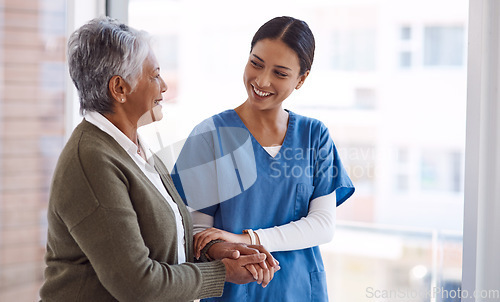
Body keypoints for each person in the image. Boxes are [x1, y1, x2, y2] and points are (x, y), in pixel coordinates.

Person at [39, 16, 279, 302]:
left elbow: (154, 240)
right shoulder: (92, 161)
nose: (164, 86)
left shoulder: (132, 148)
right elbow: (138, 284)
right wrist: (221, 272)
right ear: (119, 89)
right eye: (154, 76)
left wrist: (212, 249)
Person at [171, 16, 355, 301]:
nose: (262, 80)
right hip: (233, 290)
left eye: (280, 73)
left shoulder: (314, 136)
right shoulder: (210, 135)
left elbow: (322, 225)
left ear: (301, 79)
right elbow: (199, 232)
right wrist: (226, 247)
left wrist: (248, 239)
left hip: (300, 290)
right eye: (256, 63)